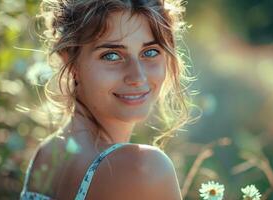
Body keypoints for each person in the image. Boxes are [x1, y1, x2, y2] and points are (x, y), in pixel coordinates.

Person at [20, 0, 193, 199]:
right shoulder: (143, 168)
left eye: (150, 52)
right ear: (70, 60)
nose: (138, 77)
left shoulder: (49, 154)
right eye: (111, 55)